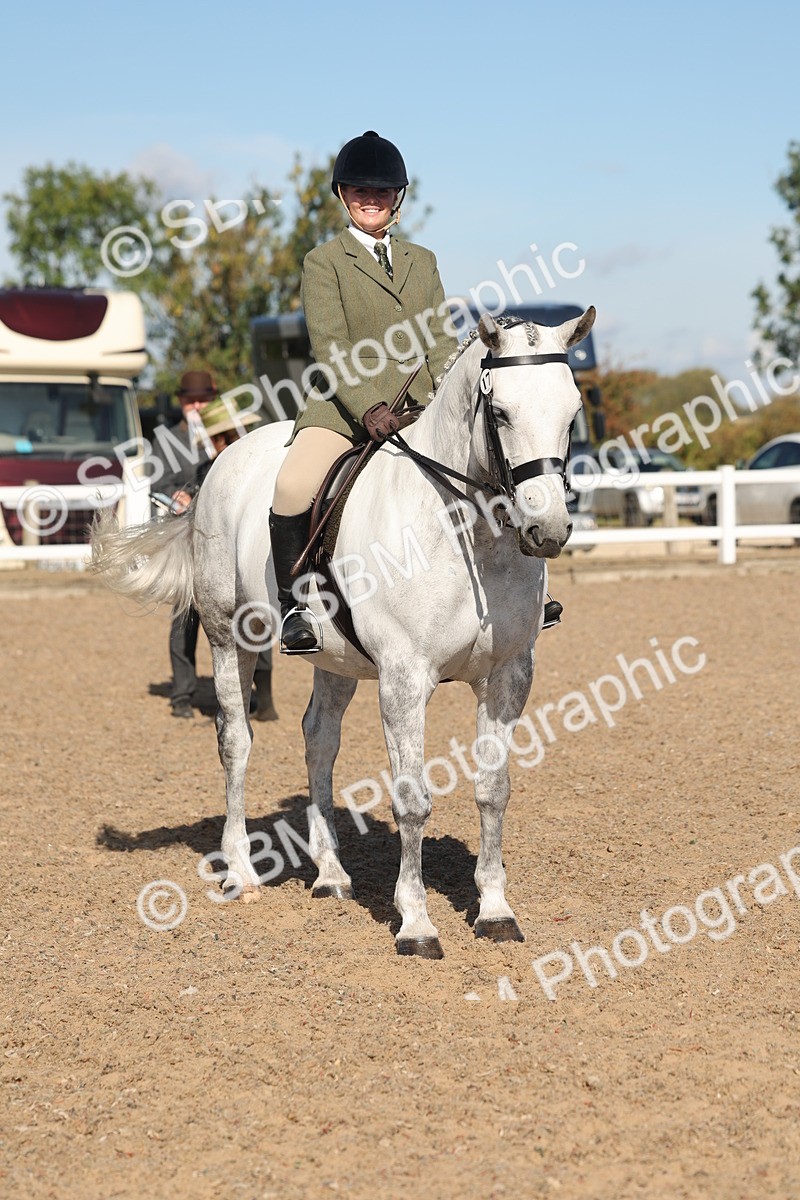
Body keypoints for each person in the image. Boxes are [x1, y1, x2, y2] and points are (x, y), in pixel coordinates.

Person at [269, 130, 459, 652]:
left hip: (419, 405)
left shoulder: (424, 260)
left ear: (397, 198)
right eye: (358, 190)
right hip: (346, 407)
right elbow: (330, 345)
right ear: (342, 195)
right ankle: (293, 607)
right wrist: (369, 403)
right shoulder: (323, 261)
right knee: (291, 486)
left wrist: (446, 397)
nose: (369, 199)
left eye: (380, 192)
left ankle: (526, 589)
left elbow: (441, 339)